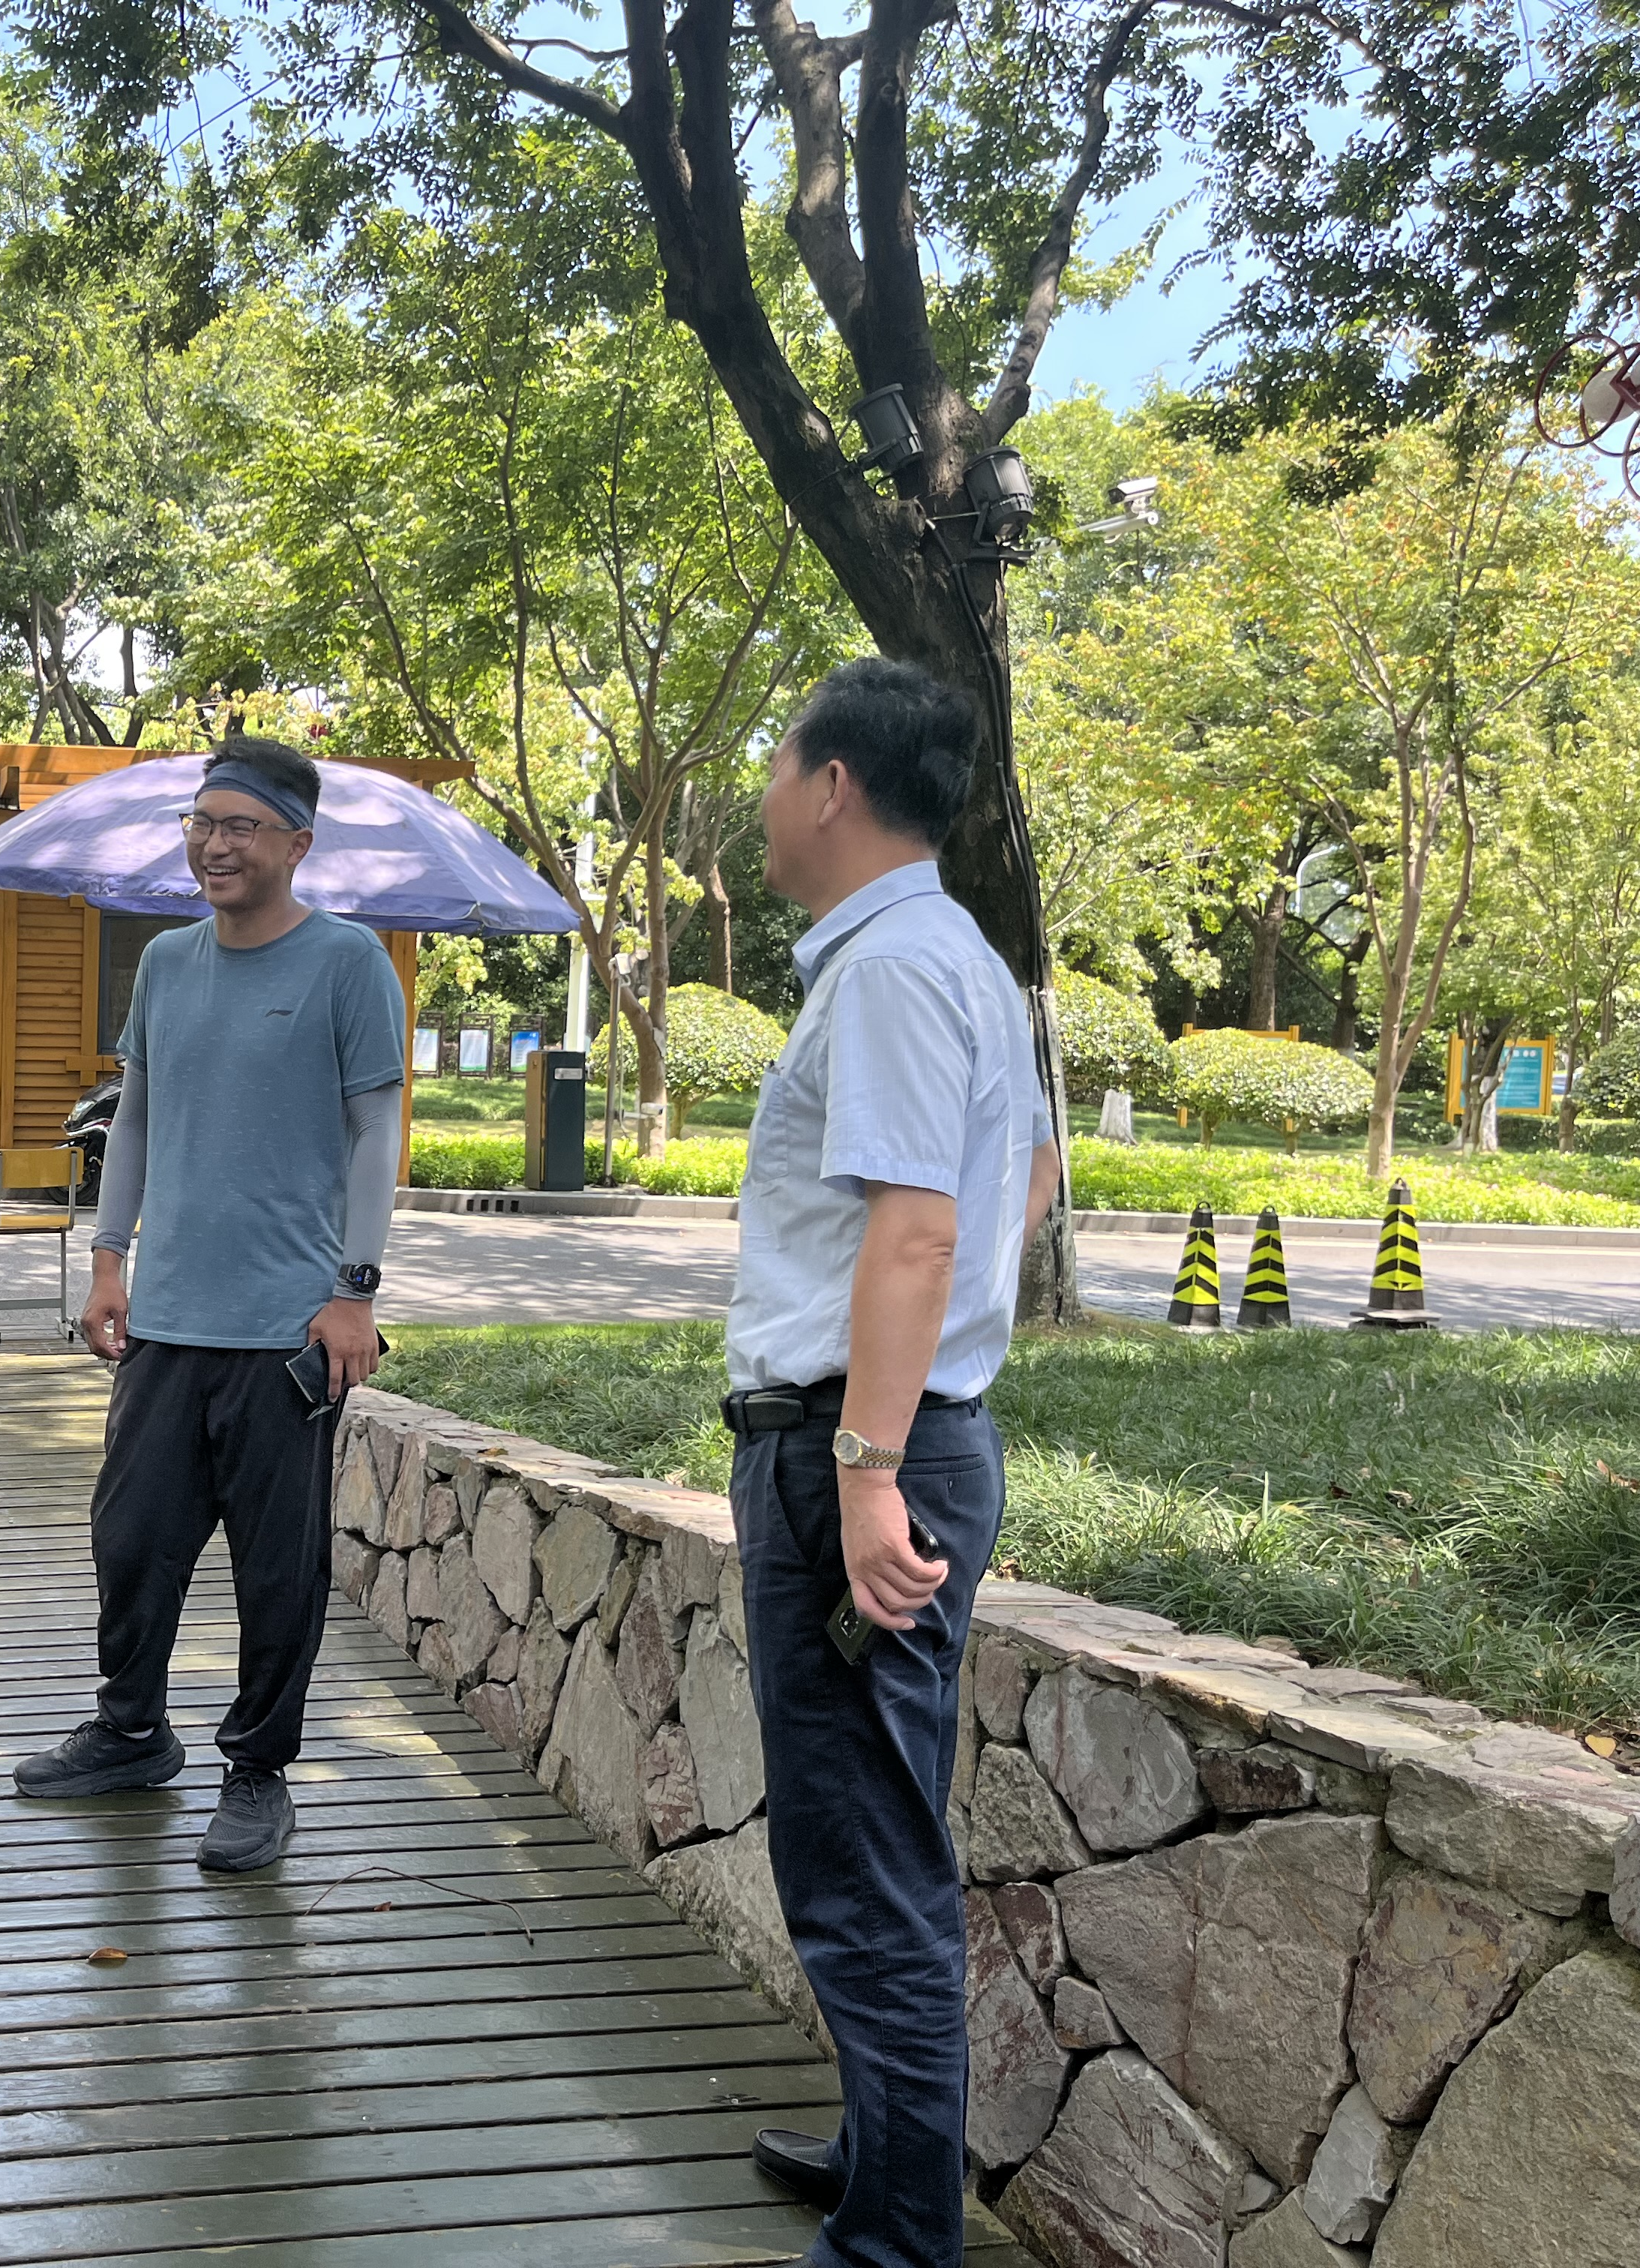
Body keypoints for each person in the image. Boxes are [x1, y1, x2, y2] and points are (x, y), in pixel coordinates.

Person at [721, 660, 1060, 2268]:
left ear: (834, 784)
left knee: (861, 1867)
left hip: (860, 1455)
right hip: (899, 1439)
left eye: (775, 764)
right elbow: (1029, 1175)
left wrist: (867, 1470)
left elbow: (918, 1231)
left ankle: (898, 2245)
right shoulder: (957, 958)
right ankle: (883, 2160)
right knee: (881, 1830)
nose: (763, 796)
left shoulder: (894, 969)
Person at [12, 736, 407, 1873]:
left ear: (297, 843)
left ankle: (258, 1773)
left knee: (278, 1568)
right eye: (202, 822)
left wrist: (355, 1291)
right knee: (132, 1539)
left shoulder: (348, 965)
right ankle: (132, 1732)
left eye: (241, 825)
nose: (215, 844)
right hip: (168, 1319)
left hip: (288, 1330)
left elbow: (376, 1133)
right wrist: (107, 1259)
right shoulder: (167, 964)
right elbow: (133, 1118)